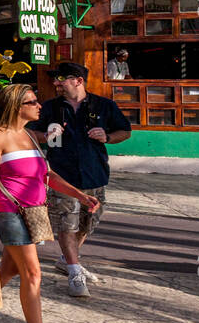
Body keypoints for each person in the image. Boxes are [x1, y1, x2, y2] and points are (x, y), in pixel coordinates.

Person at [0, 84, 101, 323]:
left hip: (34, 212)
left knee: (12, 268)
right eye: (32, 102)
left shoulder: (30, 135)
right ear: (15, 106)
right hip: (8, 213)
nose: (39, 106)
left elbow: (47, 175)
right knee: (32, 272)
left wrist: (79, 194)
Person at [30, 61, 132, 297]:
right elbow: (30, 131)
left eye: (61, 79)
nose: (56, 83)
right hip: (61, 175)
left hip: (94, 174)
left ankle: (66, 260)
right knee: (67, 223)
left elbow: (125, 131)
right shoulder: (49, 108)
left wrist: (107, 136)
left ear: (78, 80)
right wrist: (45, 135)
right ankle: (75, 271)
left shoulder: (104, 105)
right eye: (55, 79)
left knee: (87, 223)